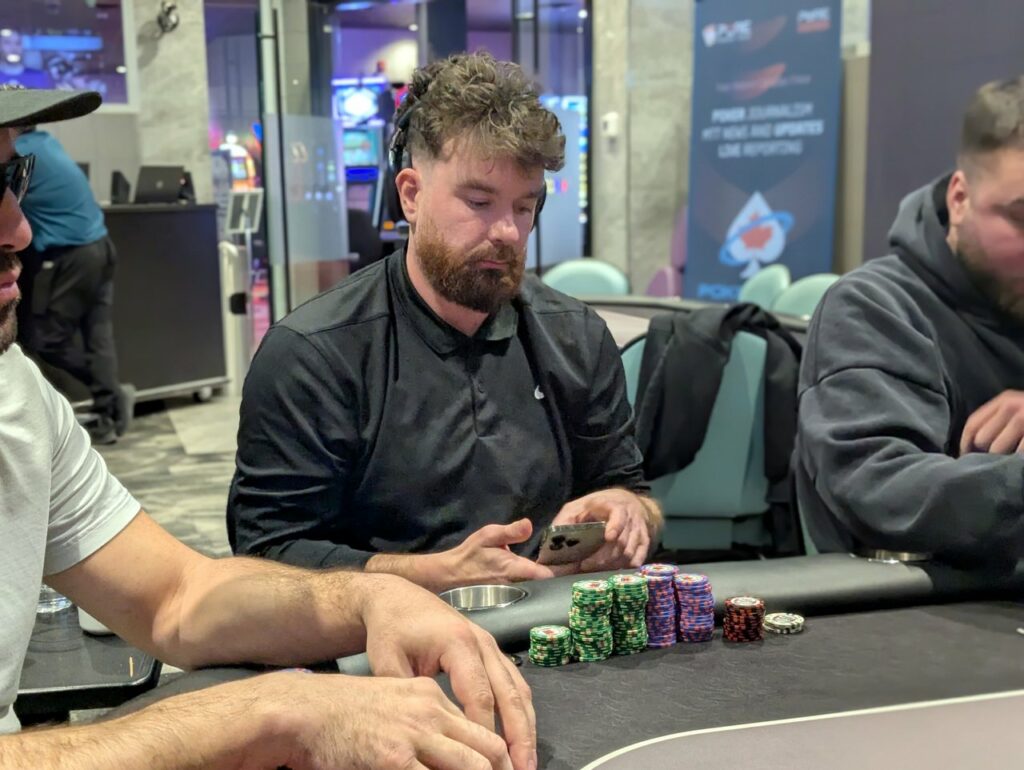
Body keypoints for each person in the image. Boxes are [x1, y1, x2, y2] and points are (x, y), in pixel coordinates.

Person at [0, 86, 535, 770]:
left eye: (14, 178)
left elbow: (175, 599)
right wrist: (267, 713)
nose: (20, 229)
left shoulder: (16, 391)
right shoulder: (314, 348)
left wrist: (375, 597)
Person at [227, 52, 662, 591]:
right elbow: (267, 554)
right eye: (479, 202)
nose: (507, 232)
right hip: (380, 633)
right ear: (411, 195)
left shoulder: (576, 336)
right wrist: (435, 575)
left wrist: (628, 510)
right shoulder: (313, 353)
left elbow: (629, 487)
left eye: (524, 207)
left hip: (549, 621)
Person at [794, 76, 1024, 567]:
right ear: (959, 198)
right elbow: (882, 493)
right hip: (934, 605)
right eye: (1021, 218)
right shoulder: (874, 308)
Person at [14, 122, 128, 444]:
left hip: (76, 255)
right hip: (102, 246)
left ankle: (112, 394)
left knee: (48, 339)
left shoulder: (20, 152)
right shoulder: (46, 142)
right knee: (98, 337)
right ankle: (109, 415)